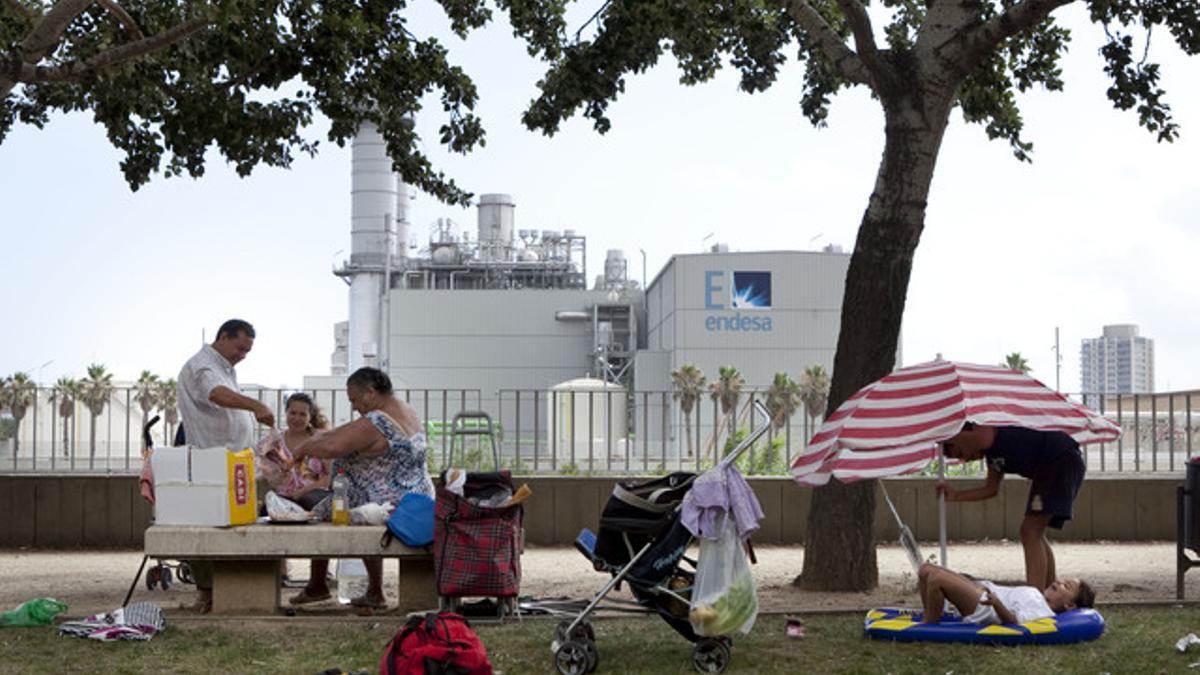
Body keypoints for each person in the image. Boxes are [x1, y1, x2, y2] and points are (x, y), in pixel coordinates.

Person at [288, 367, 434, 608]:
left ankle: (321, 585)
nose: (355, 406)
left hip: (389, 504)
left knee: (322, 515)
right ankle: (349, 589)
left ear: (370, 392)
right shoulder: (404, 410)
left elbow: (334, 447)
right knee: (336, 507)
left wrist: (302, 449)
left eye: (355, 400)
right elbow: (343, 432)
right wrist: (314, 440)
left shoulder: (378, 420)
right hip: (414, 497)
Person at [177, 318, 276, 613]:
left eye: (247, 351)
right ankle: (206, 591)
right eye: (239, 347)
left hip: (233, 461)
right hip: (212, 461)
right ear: (223, 336)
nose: (242, 355)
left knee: (238, 523)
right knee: (209, 527)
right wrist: (256, 406)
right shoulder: (203, 366)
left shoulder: (225, 367)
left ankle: (231, 586)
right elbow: (216, 394)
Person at [938, 422, 1086, 590]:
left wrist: (939, 435)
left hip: (1059, 459)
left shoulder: (984, 427)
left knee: (1030, 532)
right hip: (1054, 465)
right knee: (1034, 533)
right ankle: (1048, 592)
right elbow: (990, 489)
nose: (965, 458)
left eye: (960, 451)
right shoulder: (992, 457)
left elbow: (983, 438)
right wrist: (956, 495)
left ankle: (1035, 598)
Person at [917, 562, 1094, 625]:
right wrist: (974, 581)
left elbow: (1013, 620)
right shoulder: (1036, 595)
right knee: (925, 570)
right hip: (982, 593)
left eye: (1066, 586)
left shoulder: (1043, 612)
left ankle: (929, 623)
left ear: (1070, 605)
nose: (1059, 582)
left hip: (984, 607)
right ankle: (931, 615)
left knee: (936, 579)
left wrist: (995, 603)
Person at [256, 392, 332, 510]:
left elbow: (331, 476)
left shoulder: (322, 439)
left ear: (310, 417)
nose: (297, 418)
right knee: (267, 509)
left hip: (314, 495)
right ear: (286, 413)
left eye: (302, 414)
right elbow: (264, 472)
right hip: (284, 497)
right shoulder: (273, 442)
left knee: (307, 501)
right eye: (293, 413)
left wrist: (303, 491)